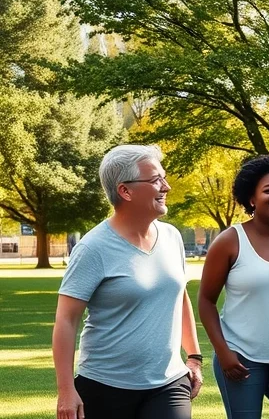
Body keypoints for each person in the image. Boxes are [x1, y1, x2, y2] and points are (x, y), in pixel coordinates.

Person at [52, 144, 203, 419]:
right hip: (105, 386)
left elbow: (179, 297)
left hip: (168, 382)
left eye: (164, 178)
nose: (166, 186)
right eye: (156, 179)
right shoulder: (93, 248)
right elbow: (66, 320)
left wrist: (193, 356)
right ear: (125, 191)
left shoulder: (172, 238)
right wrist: (65, 390)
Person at [198, 156, 269, 419]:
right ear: (251, 199)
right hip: (240, 358)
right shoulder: (229, 241)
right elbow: (206, 301)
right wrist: (223, 352)